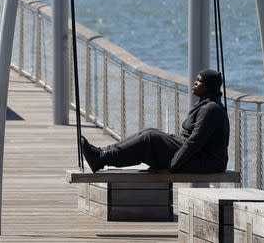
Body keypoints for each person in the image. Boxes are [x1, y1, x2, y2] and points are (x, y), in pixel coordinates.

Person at [80, 69, 229, 173]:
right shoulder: (205, 104)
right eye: (196, 79)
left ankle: (102, 159)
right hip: (194, 156)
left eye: (199, 81)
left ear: (209, 87)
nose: (195, 83)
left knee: (151, 138)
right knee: (149, 132)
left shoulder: (211, 109)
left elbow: (195, 141)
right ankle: (102, 153)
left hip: (206, 162)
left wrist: (175, 163)